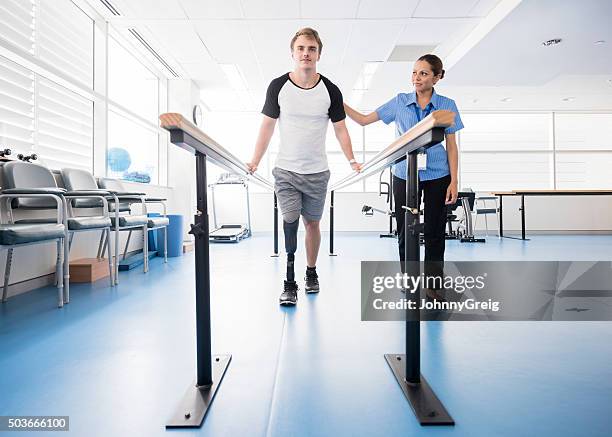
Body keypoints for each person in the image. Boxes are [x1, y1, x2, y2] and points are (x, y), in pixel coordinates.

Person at [247, 27, 361, 306]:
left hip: (317, 172)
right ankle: (289, 280)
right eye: (301, 48)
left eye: (311, 49)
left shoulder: (330, 90)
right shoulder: (278, 86)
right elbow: (267, 127)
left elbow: (341, 130)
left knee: (312, 223)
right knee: (289, 219)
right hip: (285, 170)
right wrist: (255, 161)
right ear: (293, 53)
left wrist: (352, 160)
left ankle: (311, 272)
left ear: (318, 54)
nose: (306, 53)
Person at [344, 54, 463, 294]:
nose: (416, 78)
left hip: (437, 174)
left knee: (435, 229)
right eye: (414, 72)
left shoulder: (447, 105)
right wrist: (338, 102)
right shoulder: (400, 101)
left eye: (423, 73)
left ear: (436, 77)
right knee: (404, 228)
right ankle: (408, 278)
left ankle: (433, 284)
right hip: (402, 173)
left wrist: (454, 180)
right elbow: (364, 120)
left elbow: (451, 144)